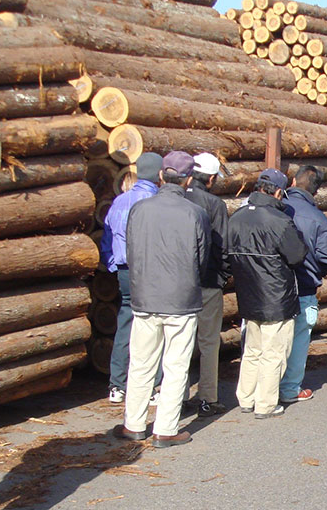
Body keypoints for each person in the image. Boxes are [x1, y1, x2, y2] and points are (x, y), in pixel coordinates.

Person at [114, 151, 210, 448]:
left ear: (161, 176)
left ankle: (134, 423)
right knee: (175, 365)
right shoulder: (195, 213)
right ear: (188, 179)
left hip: (145, 296)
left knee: (141, 363)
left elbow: (131, 252)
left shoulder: (139, 209)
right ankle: (166, 428)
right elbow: (202, 259)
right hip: (181, 299)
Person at [228, 169, 308, 419]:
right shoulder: (279, 221)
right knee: (274, 352)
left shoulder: (237, 217)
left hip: (248, 293)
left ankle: (246, 397)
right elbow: (297, 255)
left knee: (252, 350)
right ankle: (265, 404)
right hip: (276, 296)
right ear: (277, 192)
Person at [101, 153, 162, 404]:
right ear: (159, 174)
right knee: (153, 325)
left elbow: (107, 238)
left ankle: (117, 385)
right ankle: (152, 386)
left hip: (125, 271)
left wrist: (113, 265)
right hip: (149, 270)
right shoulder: (155, 200)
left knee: (126, 321)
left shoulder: (119, 201)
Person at [280, 165, 327, 403]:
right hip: (305, 287)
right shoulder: (318, 218)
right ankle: (290, 388)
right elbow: (326, 257)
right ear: (317, 190)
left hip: (274, 288)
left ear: (293, 181)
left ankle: (261, 391)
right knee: (299, 340)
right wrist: (315, 273)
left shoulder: (278, 208)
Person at [183, 152, 231, 417]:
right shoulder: (214, 204)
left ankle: (177, 398)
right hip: (208, 281)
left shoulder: (178, 198)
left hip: (178, 283)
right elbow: (223, 245)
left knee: (179, 342)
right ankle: (207, 398)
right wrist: (223, 276)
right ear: (211, 178)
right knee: (209, 341)